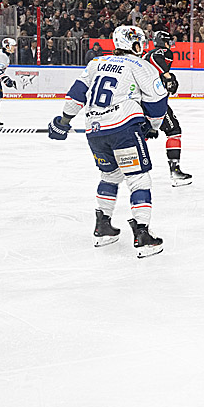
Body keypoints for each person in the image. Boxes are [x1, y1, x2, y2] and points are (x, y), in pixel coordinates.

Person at [47, 25, 169, 258]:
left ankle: (103, 227)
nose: (142, 46)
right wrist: (152, 126)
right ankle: (143, 235)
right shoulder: (142, 66)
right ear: (133, 44)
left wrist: (63, 121)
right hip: (123, 129)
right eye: (140, 42)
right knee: (138, 178)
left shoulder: (96, 63)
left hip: (94, 131)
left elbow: (76, 94)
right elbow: (157, 102)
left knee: (110, 176)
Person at [145, 30, 192, 186]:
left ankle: (126, 166)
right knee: (174, 131)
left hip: (140, 100)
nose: (170, 44)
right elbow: (155, 58)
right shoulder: (162, 52)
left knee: (141, 132)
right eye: (168, 41)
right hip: (154, 101)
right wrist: (167, 75)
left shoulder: (144, 56)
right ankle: (175, 171)